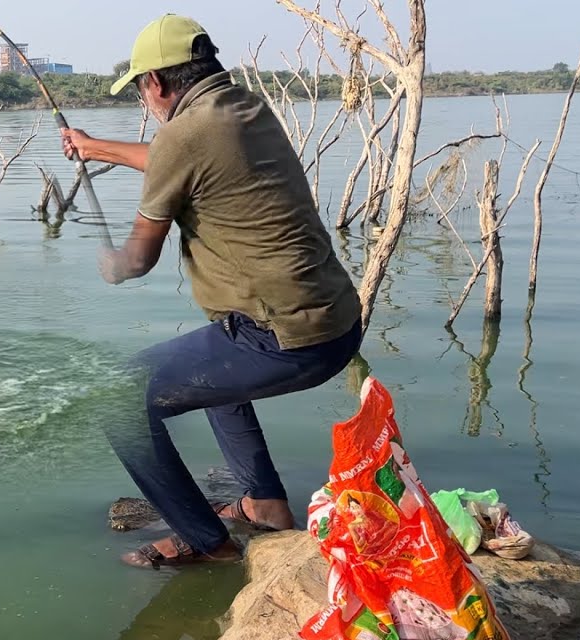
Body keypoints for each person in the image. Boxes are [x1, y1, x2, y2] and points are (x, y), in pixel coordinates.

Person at [61, 14, 363, 569]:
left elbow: (138, 260)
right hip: (337, 323)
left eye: (142, 89)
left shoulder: (183, 134)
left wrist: (110, 266)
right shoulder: (243, 108)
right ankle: (265, 504)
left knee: (115, 398)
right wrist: (94, 147)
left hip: (284, 339)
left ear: (155, 83)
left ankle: (206, 542)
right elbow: (175, 160)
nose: (146, 100)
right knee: (217, 354)